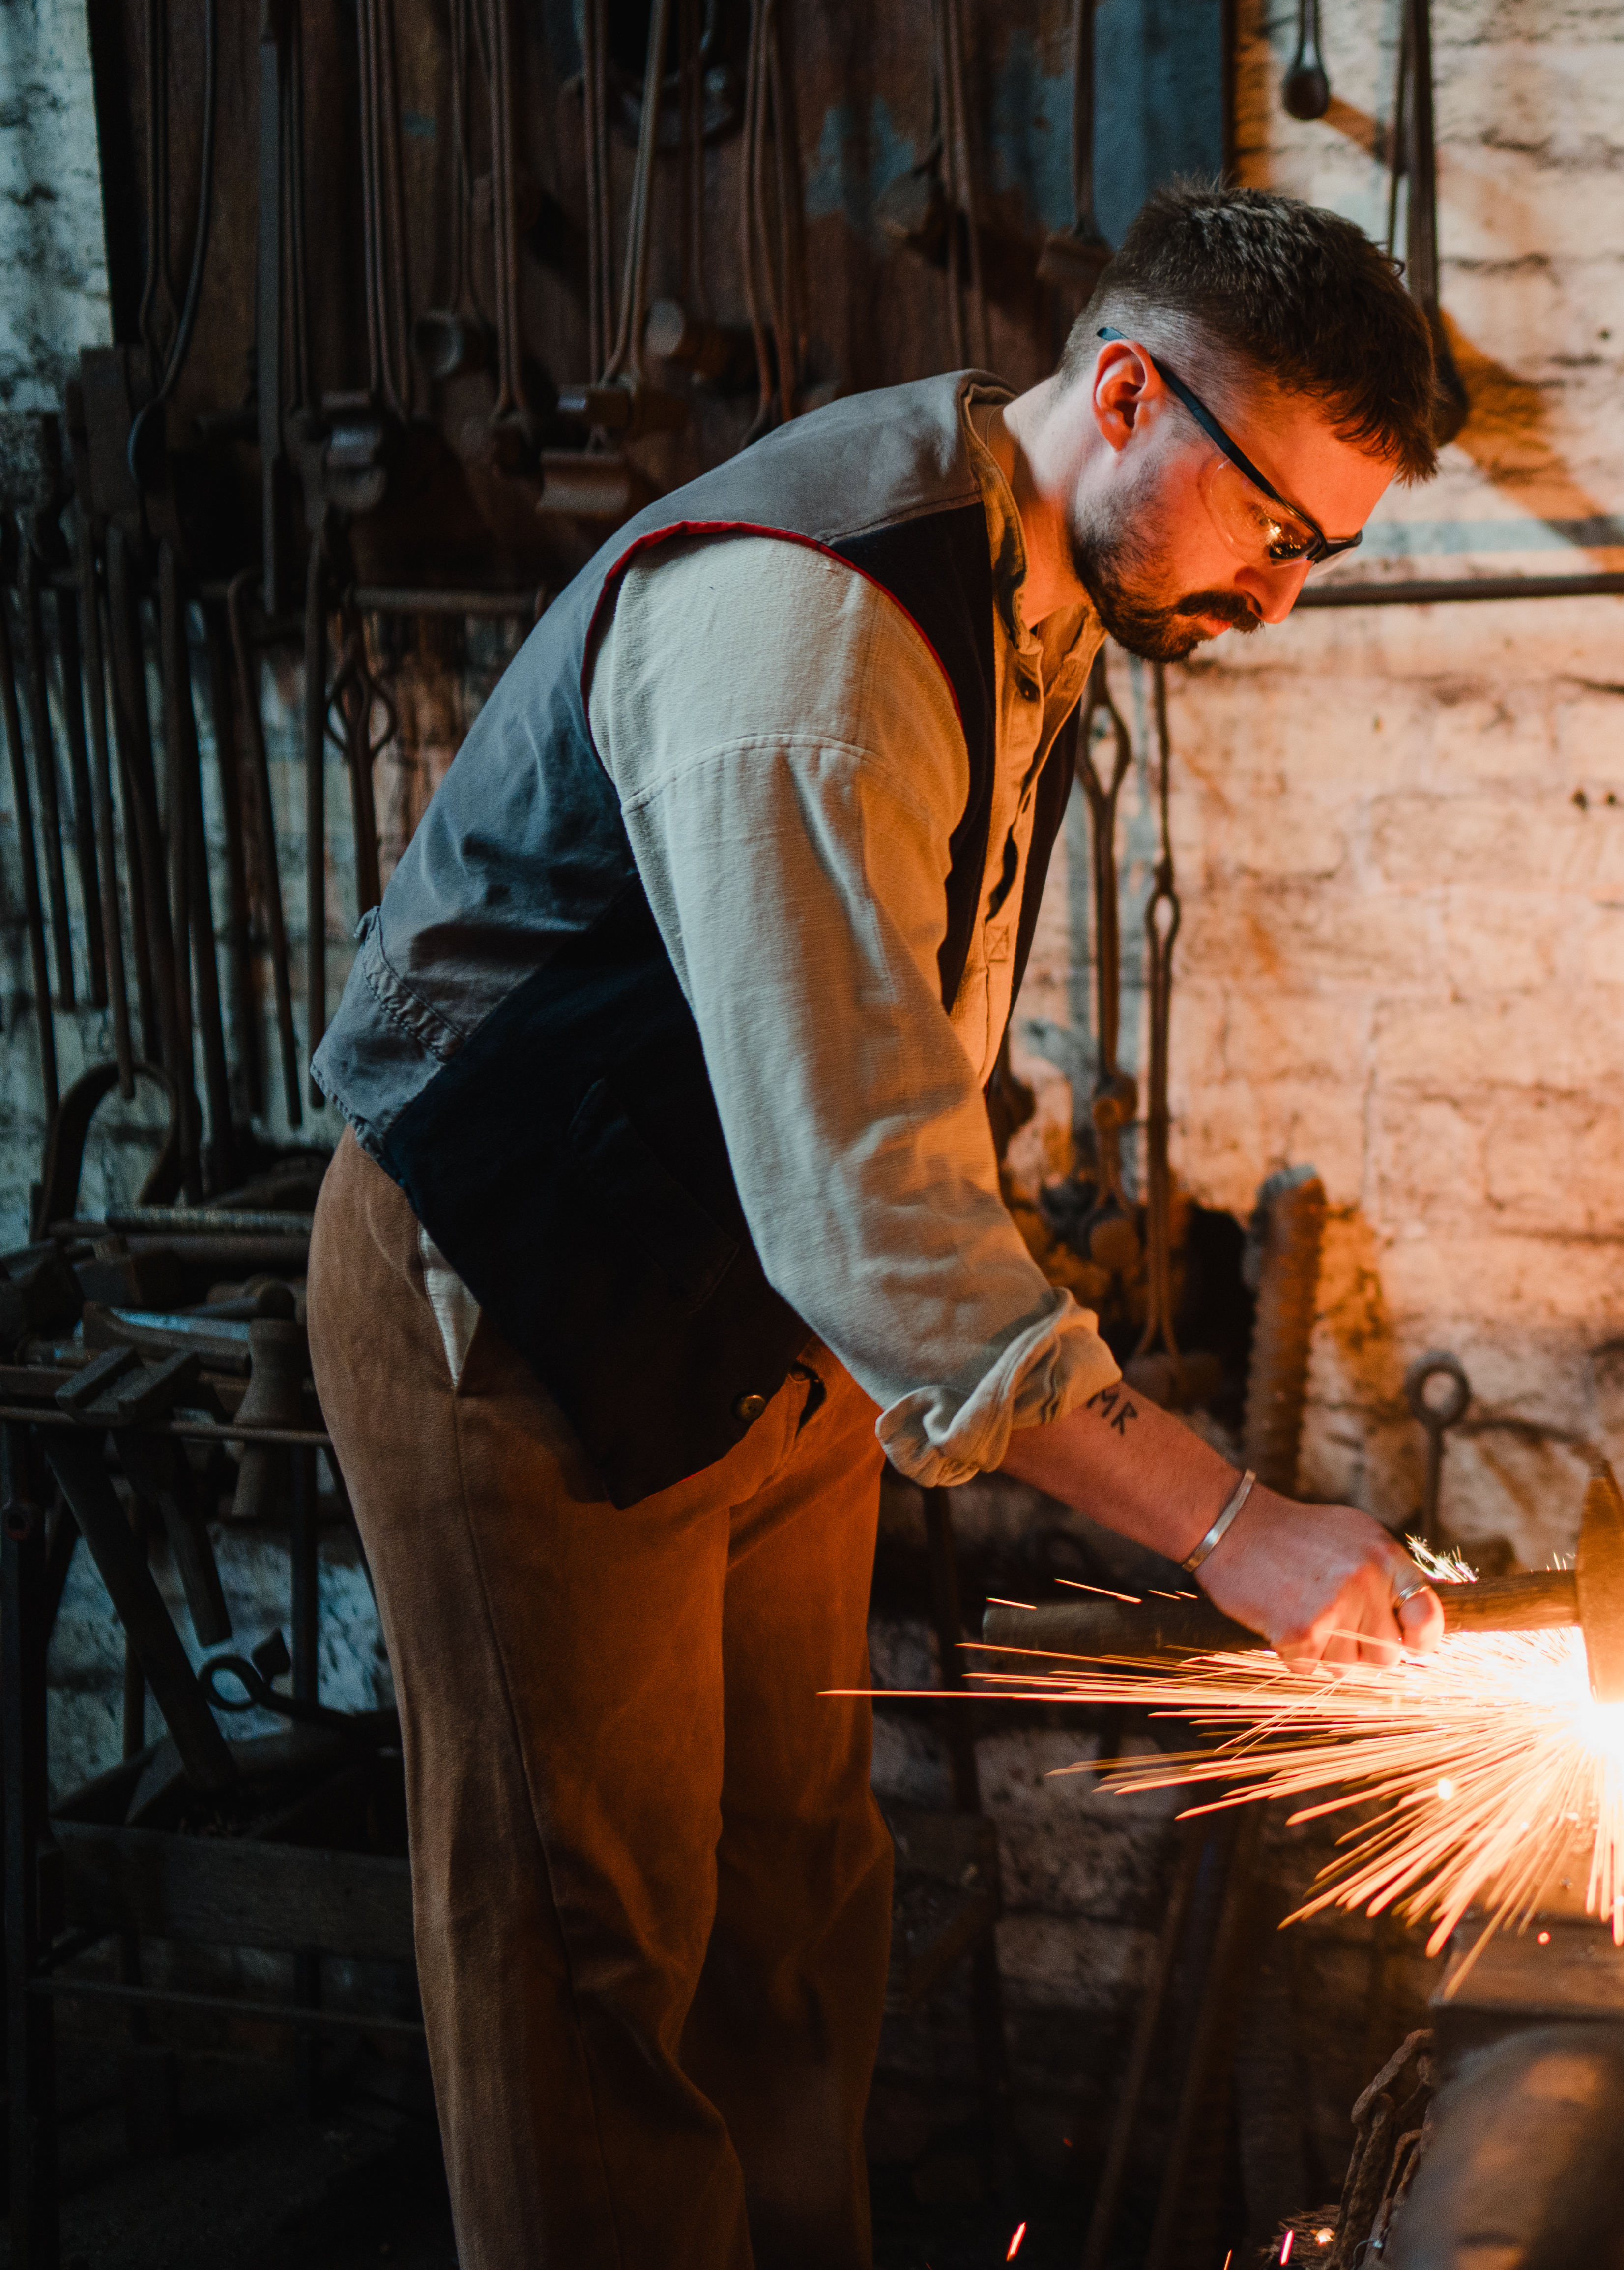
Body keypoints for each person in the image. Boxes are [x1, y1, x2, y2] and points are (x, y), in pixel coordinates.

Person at [306, 186, 1450, 2268]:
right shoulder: (817, 626)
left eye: (1329, 557)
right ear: (1127, 394)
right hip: (522, 1303)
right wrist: (1225, 1524)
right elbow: (874, 1213)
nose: (1287, 594)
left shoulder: (1036, 577)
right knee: (594, 1949)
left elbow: (882, 1100)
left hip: (753, 1309)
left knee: (792, 1909)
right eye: (1281, 528)